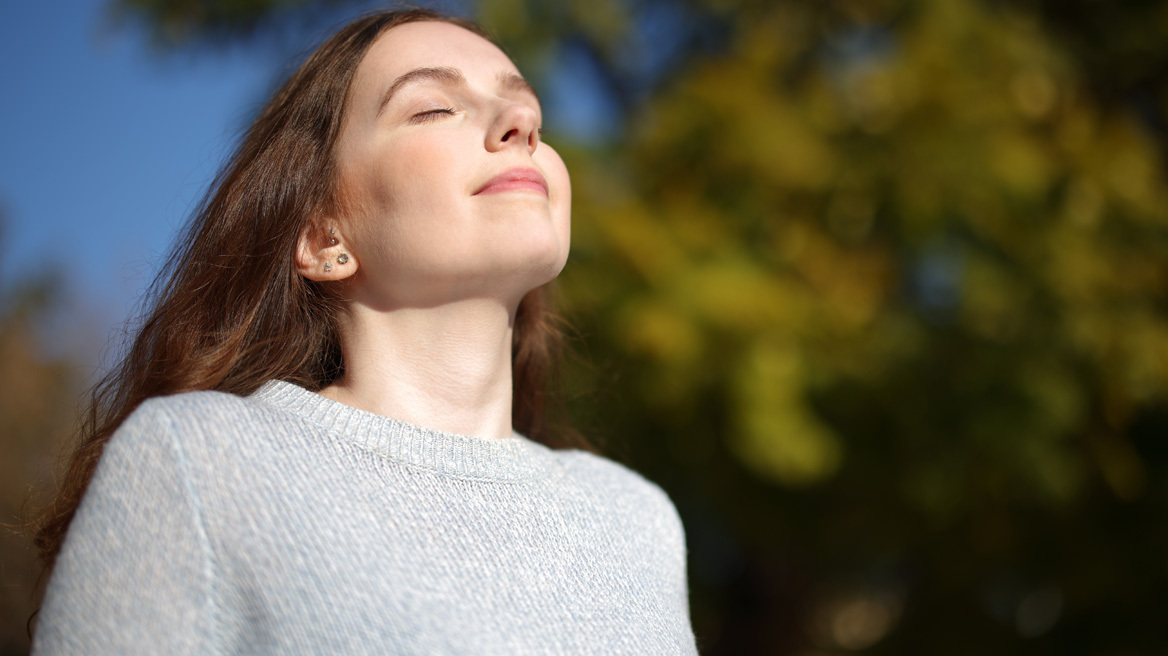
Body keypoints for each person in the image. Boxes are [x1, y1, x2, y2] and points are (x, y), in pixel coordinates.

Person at [29, 8, 699, 655]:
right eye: (434, 107)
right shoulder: (201, 462)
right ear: (324, 237)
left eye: (531, 112)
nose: (521, 123)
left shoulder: (637, 520)